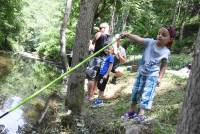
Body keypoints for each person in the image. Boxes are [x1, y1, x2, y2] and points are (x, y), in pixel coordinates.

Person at [121, 26, 176, 123]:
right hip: (141, 73)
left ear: (170, 39)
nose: (159, 36)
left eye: (164, 35)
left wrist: (160, 78)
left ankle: (141, 114)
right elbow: (139, 39)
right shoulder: (150, 42)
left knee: (147, 93)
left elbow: (164, 66)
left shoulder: (166, 52)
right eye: (159, 33)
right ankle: (131, 111)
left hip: (152, 75)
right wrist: (128, 35)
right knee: (136, 91)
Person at [86, 22, 112, 101]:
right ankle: (93, 94)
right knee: (97, 77)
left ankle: (90, 96)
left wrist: (91, 42)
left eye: (102, 27)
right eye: (100, 28)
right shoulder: (111, 37)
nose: (101, 29)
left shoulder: (99, 34)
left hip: (96, 58)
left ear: (106, 28)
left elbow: (93, 43)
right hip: (105, 60)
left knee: (91, 77)